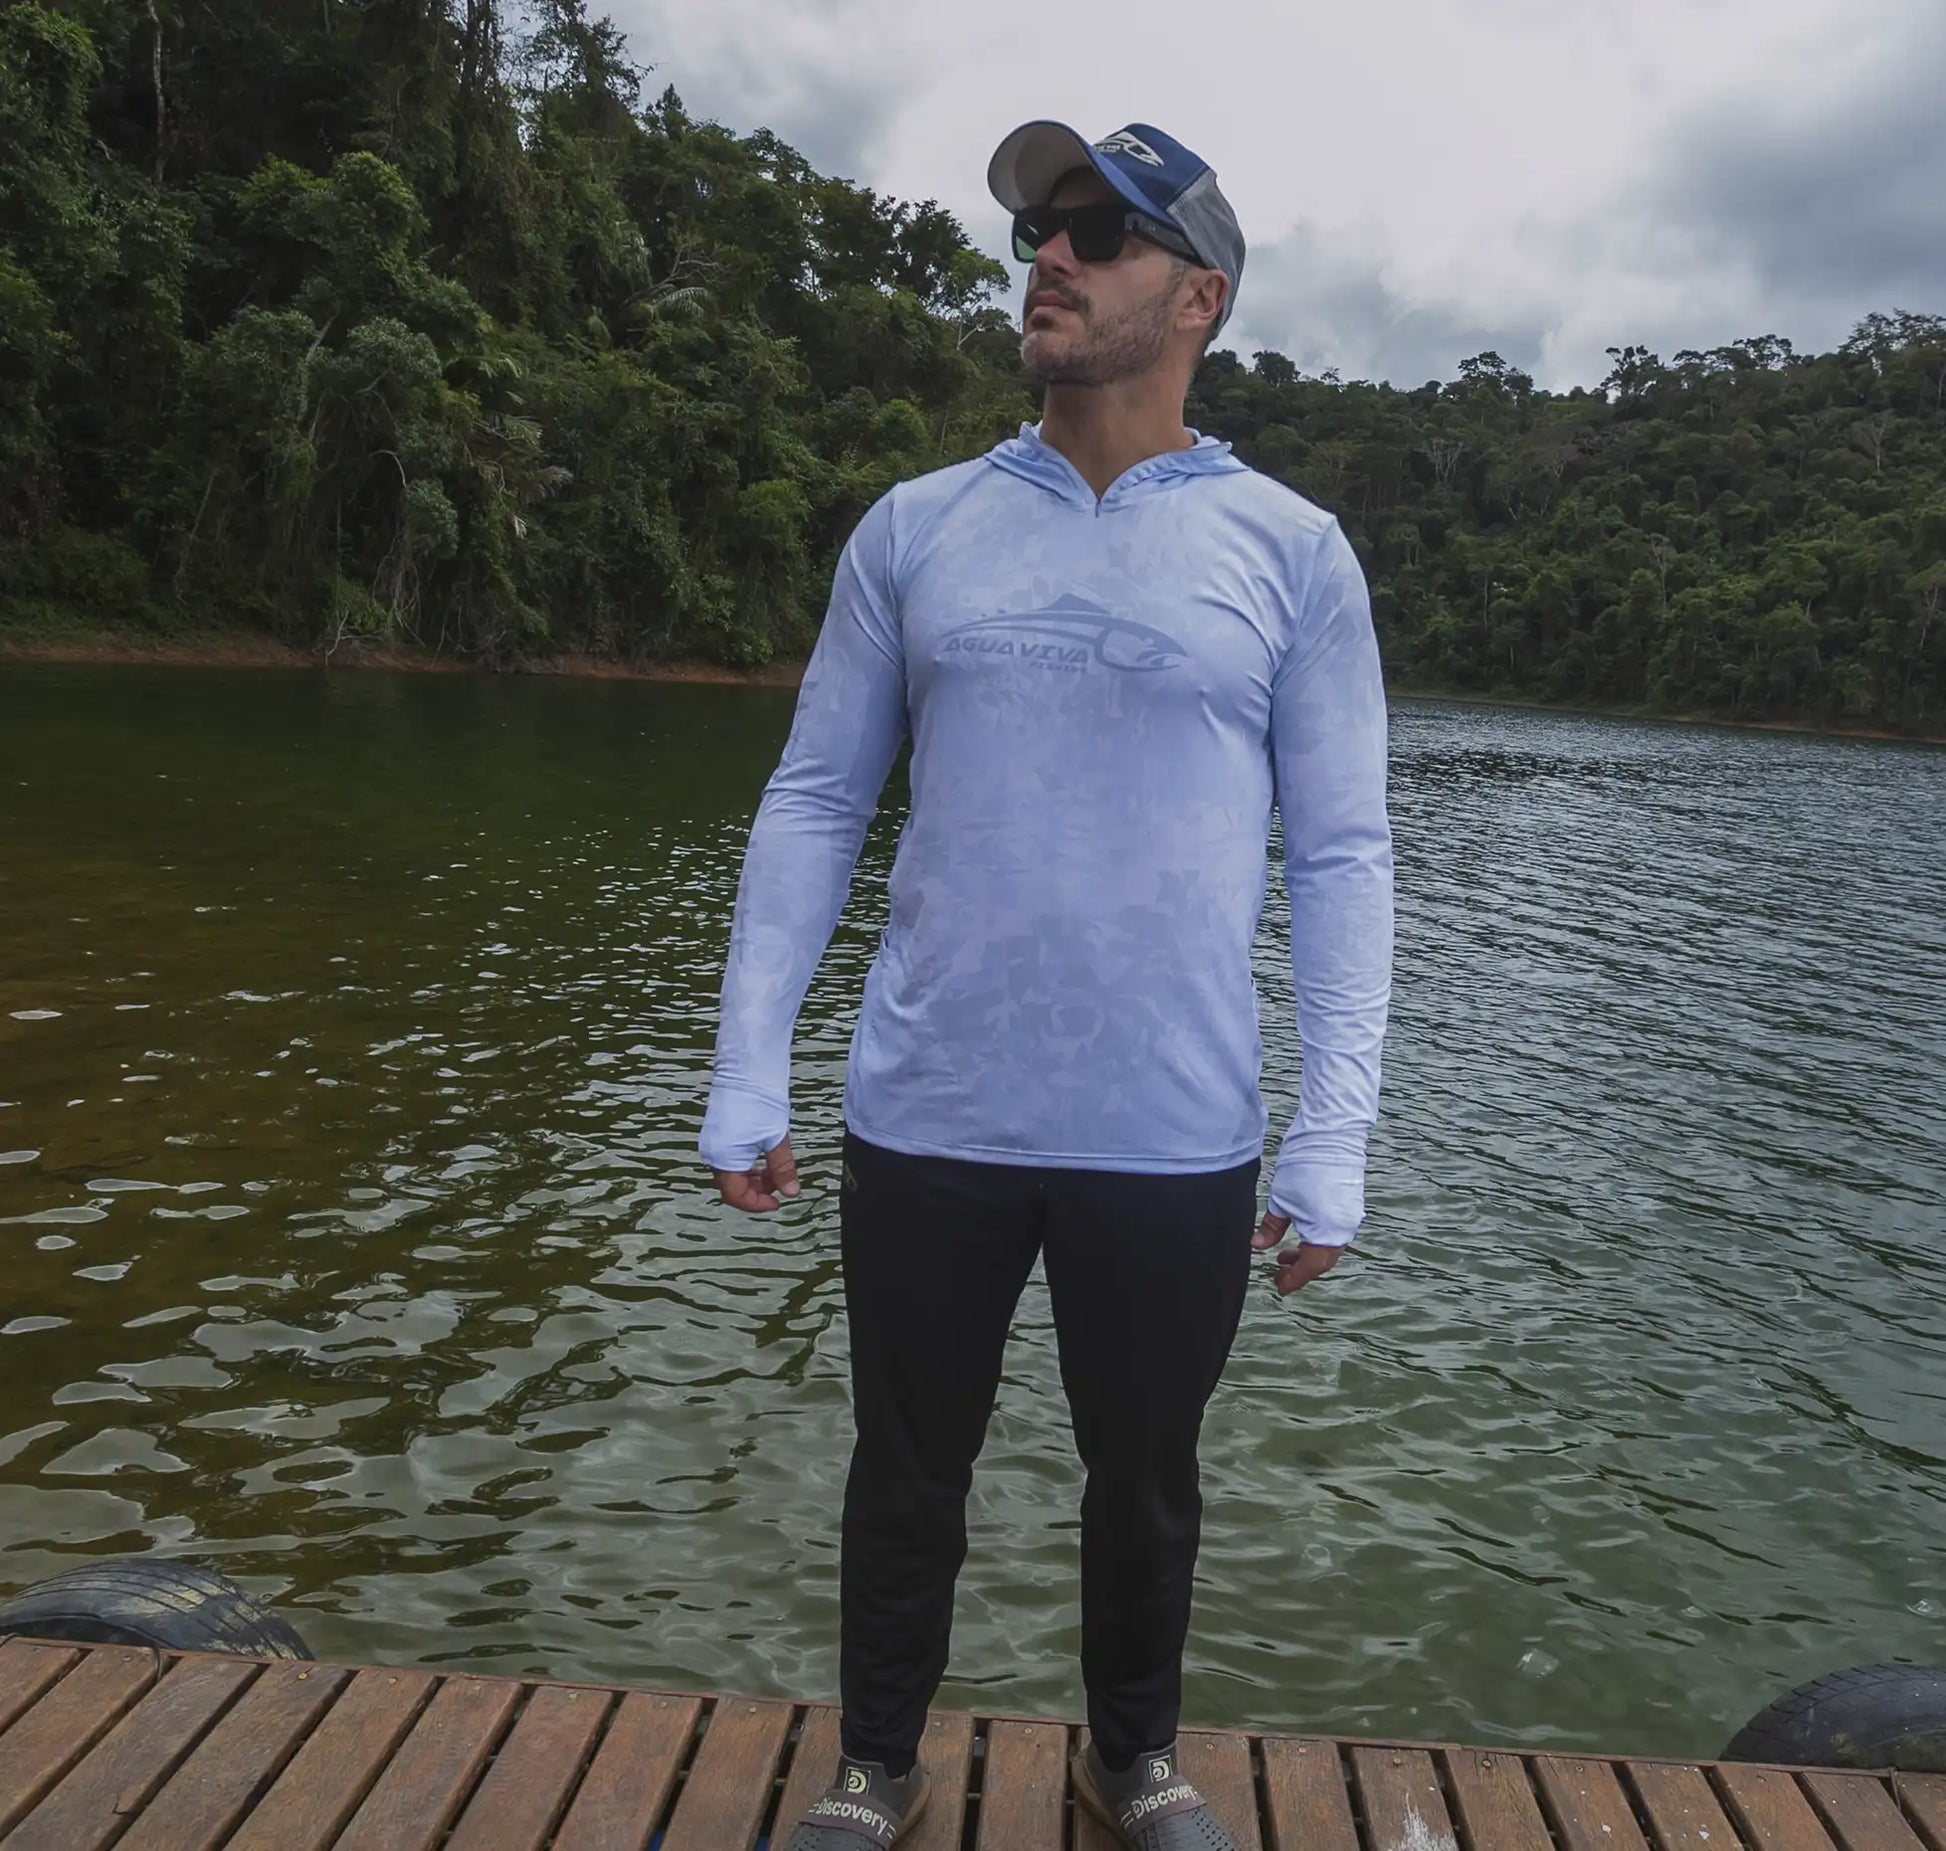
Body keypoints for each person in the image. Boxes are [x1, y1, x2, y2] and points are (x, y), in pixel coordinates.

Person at [700, 118, 1394, 1851]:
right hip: (929, 1106)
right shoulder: (916, 527)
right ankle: (875, 1763)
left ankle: (1129, 1760)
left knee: (1143, 1479)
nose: (1052, 258)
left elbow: (1341, 854)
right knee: (904, 1465)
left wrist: (1335, 1135)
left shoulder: (1290, 549)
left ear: (1198, 298)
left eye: (1099, 231)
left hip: (1171, 1129)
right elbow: (815, 799)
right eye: (1039, 230)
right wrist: (745, 1066)